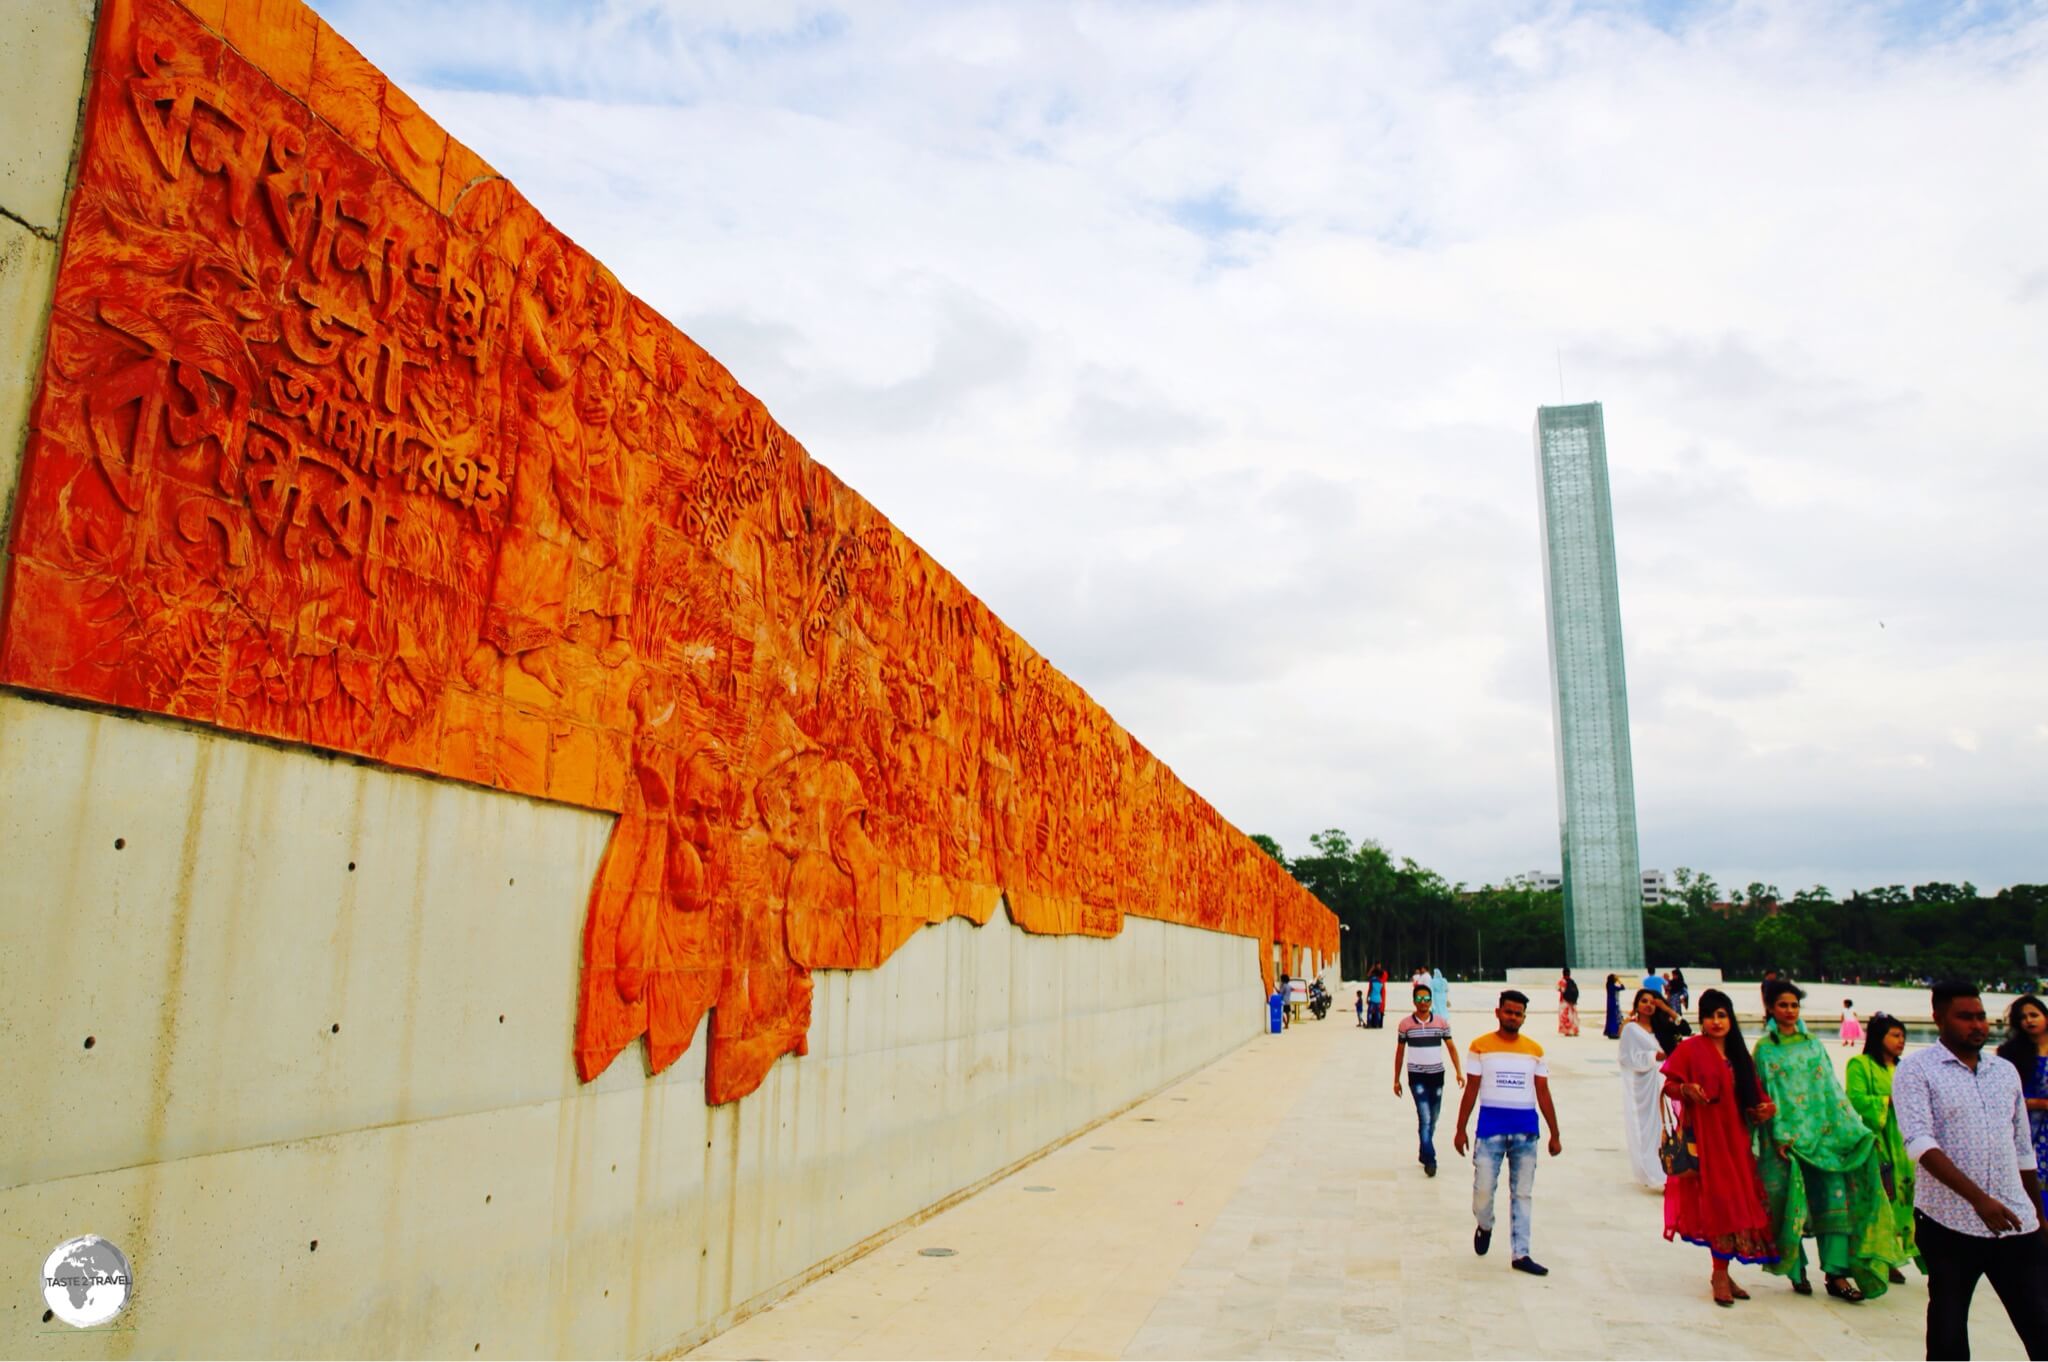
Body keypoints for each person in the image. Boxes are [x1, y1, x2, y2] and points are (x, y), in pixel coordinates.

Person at [1895, 980, 2048, 1359]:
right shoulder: (1917, 1071)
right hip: (1949, 1223)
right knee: (1948, 1329)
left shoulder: (2004, 1071)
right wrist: (1979, 1200)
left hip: (2014, 1219)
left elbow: (2022, 1149)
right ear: (1939, 1019)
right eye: (1965, 1017)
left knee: (2040, 1320)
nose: (1977, 1025)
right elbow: (1919, 1143)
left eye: (1981, 1017)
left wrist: (2039, 1218)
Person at [1752, 979, 1899, 1301]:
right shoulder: (1764, 1049)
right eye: (1783, 1005)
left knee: (1835, 1205)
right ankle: (1796, 1270)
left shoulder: (1814, 1045)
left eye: (1794, 1005)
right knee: (1790, 1207)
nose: (1790, 1011)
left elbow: (1830, 1090)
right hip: (1786, 1144)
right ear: (1771, 1009)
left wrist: (1854, 1130)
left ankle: (1836, 1274)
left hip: (1824, 1138)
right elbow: (1763, 1094)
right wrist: (1777, 1135)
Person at [1663, 989, 1780, 1305]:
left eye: (1722, 1015)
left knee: (1736, 1205)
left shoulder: (1740, 1055)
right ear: (1700, 1019)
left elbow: (1755, 1096)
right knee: (1719, 1205)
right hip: (1705, 1140)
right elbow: (1669, 1086)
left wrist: (1766, 1109)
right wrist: (1686, 1089)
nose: (1716, 1022)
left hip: (1736, 1142)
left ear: (1730, 1019)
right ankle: (1718, 1274)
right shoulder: (1690, 1050)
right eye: (1710, 1016)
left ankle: (1724, 1271)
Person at [1453, 990, 1563, 1276]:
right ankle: (1485, 1224)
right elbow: (1472, 1088)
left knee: (1522, 1194)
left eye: (1518, 1013)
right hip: (1490, 1131)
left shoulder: (1534, 1051)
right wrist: (1460, 1128)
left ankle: (1521, 1253)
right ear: (1498, 1012)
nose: (1513, 1017)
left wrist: (1555, 1132)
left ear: (1524, 1017)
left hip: (1525, 1131)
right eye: (1509, 1011)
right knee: (1483, 1190)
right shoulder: (1480, 1046)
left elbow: (1543, 1092)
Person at [1846, 1012, 1923, 1283]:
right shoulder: (1861, 1064)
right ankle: (1882, 1258)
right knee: (1882, 1202)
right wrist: (1887, 1100)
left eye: (1903, 1036)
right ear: (1879, 1037)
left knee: (1908, 1203)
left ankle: (1903, 1254)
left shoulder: (1907, 1068)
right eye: (1895, 1035)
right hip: (1879, 1143)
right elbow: (1854, 1099)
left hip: (1906, 1147)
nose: (1901, 1041)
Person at [1395, 983, 1465, 1178]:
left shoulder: (1441, 1023)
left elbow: (1451, 1048)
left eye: (1426, 999)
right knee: (1424, 1118)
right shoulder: (1405, 1025)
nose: (1423, 1003)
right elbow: (1400, 1052)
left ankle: (1423, 1151)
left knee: (1432, 1119)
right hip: (1416, 1077)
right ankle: (1431, 1159)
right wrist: (1396, 1079)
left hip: (1437, 1077)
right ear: (1414, 1001)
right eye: (1419, 999)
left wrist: (1459, 1072)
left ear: (1431, 1001)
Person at [1993, 994, 2048, 1221]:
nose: (2029, 1021)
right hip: (2025, 1128)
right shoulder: (2010, 1055)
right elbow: (2001, 1096)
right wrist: (2038, 1104)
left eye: (2034, 1015)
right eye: (2023, 1017)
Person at [1619, 989, 1669, 1192]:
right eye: (1644, 1001)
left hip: (1664, 1080)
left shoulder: (1662, 1028)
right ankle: (1651, 1170)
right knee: (1647, 1127)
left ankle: (1669, 1169)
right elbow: (1626, 1057)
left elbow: (1682, 1032)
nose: (1648, 1005)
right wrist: (1651, 1057)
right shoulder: (1631, 1029)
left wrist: (1669, 1011)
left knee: (1667, 1126)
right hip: (1643, 1083)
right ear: (1637, 1004)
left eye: (1652, 1001)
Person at [1557, 967, 1581, 1037]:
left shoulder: (1562, 981)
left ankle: (1568, 1031)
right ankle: (1575, 1030)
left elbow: (1558, 988)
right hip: (1572, 1002)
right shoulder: (1572, 981)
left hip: (1564, 1001)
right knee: (1573, 1016)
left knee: (1566, 1016)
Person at [1604, 973, 1624, 1040]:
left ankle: (1610, 1032)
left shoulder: (1609, 985)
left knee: (1610, 1018)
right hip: (1613, 1003)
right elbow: (1623, 987)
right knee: (1614, 1018)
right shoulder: (1612, 986)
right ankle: (1614, 1032)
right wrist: (1619, 981)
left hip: (1610, 1002)